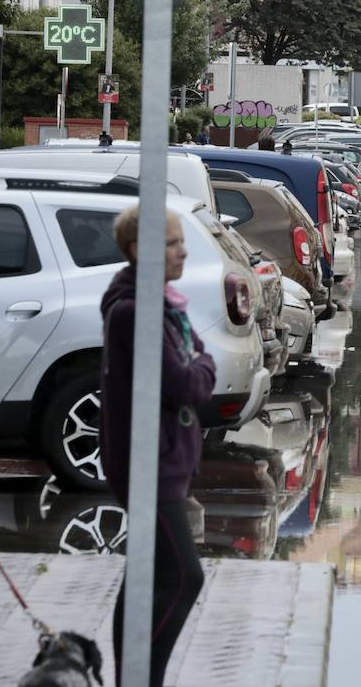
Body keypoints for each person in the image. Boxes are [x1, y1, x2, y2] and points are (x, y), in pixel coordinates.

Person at [100, 206, 214, 687]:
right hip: (148, 467)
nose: (182, 250)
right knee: (185, 577)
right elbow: (188, 381)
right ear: (138, 251)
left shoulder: (160, 304)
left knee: (146, 573)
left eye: (180, 241)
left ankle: (134, 675)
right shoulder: (135, 312)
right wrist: (202, 363)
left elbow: (191, 364)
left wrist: (197, 362)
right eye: (171, 243)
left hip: (163, 461)